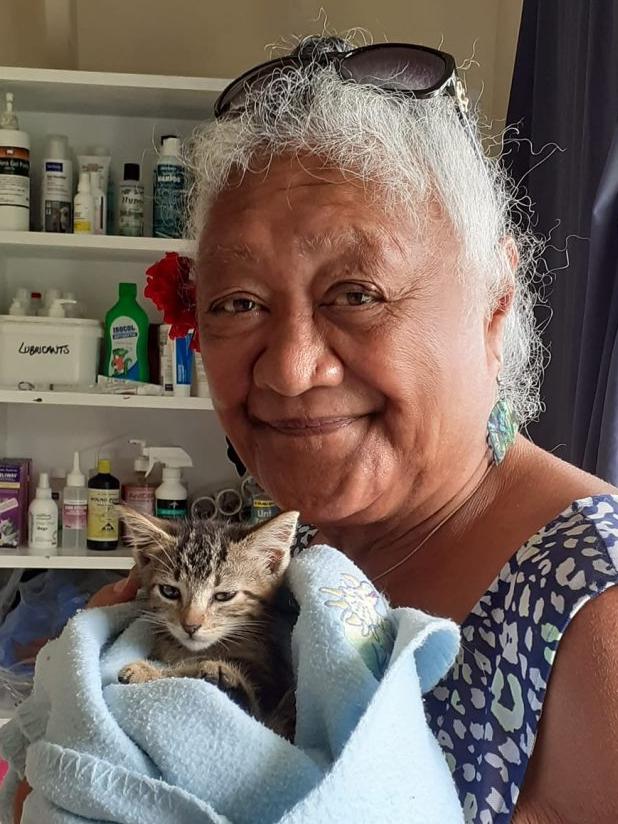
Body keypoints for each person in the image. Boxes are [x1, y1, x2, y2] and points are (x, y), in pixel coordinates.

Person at [16, 36, 618, 824]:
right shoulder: (289, 550)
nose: (290, 370)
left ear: (494, 303)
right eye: (237, 302)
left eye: (357, 290)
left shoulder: (591, 602)